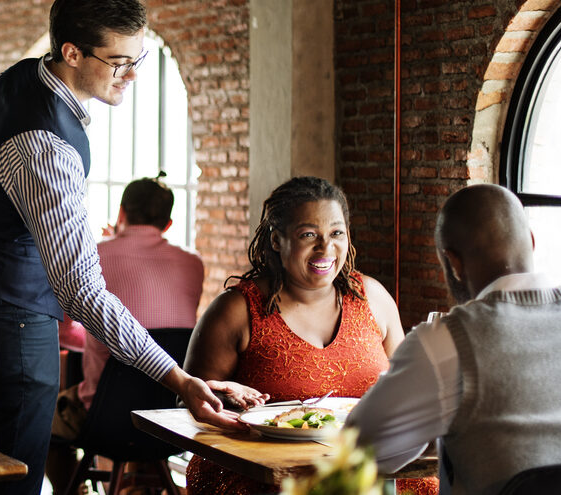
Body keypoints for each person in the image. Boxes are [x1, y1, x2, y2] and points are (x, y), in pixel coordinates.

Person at [0, 1, 258, 492]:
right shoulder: (47, 149)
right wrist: (178, 380)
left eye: (137, 60)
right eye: (119, 62)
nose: (132, 75)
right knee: (8, 484)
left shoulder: (20, 77)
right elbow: (81, 291)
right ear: (72, 53)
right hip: (9, 327)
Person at [348, 184, 561, 495]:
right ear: (532, 243)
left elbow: (360, 447)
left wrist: (437, 420)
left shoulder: (447, 341)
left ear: (453, 264)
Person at [182, 176, 435, 495]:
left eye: (336, 233)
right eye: (308, 235)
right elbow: (186, 401)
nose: (326, 248)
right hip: (265, 475)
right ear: (277, 240)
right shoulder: (236, 310)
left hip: (367, 466)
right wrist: (225, 398)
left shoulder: (372, 297)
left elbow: (408, 388)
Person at [45, 175, 204, 489]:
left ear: (121, 213)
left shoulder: (94, 256)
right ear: (169, 224)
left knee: (44, 424)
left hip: (106, 419)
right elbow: (169, 333)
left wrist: (97, 339)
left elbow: (64, 334)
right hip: (172, 416)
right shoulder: (193, 263)